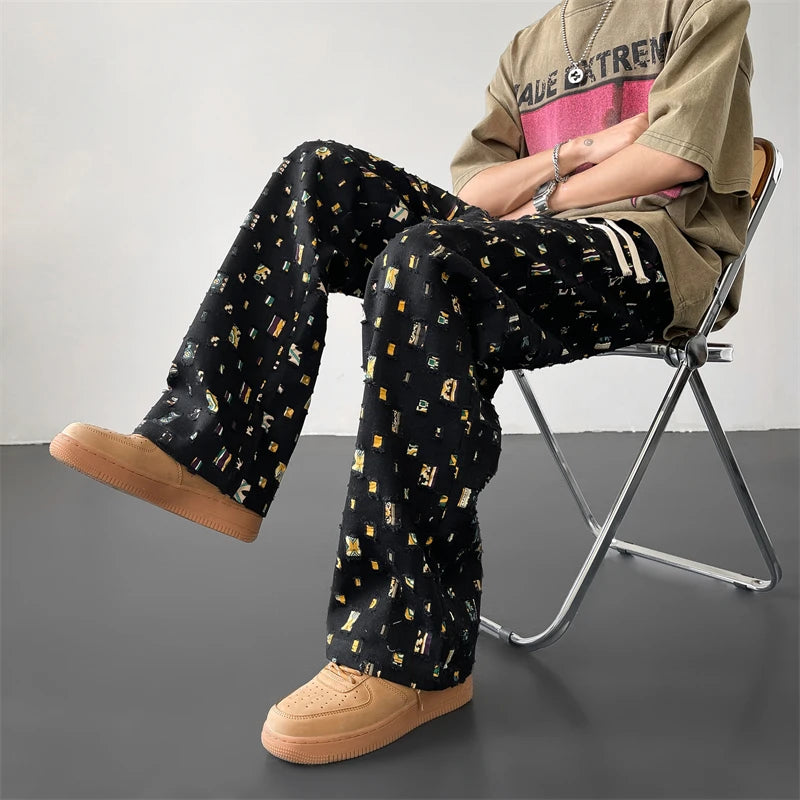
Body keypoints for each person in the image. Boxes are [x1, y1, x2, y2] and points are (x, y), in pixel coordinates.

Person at [49, 0, 754, 765]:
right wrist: (579, 150)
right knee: (318, 173)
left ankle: (408, 655)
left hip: (644, 253)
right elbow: (476, 194)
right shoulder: (528, 48)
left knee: (422, 260)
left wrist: (538, 195)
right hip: (523, 242)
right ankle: (207, 448)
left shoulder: (700, 7)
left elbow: (673, 161)